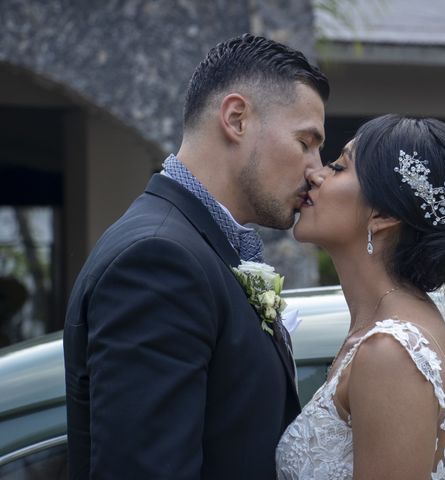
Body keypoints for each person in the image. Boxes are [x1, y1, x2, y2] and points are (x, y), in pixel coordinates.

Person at [64, 33, 329, 479]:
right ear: (236, 118)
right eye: (305, 142)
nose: (316, 169)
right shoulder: (157, 261)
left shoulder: (197, 249)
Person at [276, 115, 445, 479]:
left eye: (338, 167)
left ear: (384, 214)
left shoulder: (391, 352)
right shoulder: (394, 329)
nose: (316, 174)